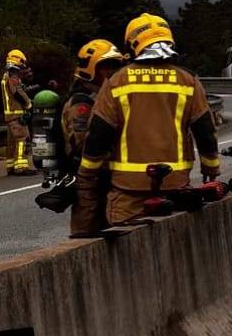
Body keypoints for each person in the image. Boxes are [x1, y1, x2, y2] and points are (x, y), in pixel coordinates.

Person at [76, 14, 219, 228]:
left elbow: (98, 135)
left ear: (133, 44)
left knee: (128, 255)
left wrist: (87, 175)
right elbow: (205, 131)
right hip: (176, 189)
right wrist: (211, 169)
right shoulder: (188, 80)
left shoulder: (117, 81)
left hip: (128, 193)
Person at [61, 40, 126, 235]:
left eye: (115, 66)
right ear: (91, 69)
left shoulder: (105, 97)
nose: (111, 72)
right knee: (86, 233)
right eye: (106, 67)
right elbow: (83, 144)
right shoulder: (81, 104)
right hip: (88, 181)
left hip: (107, 176)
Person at [0, 49, 36, 176]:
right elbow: (17, 92)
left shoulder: (6, 75)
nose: (22, 65)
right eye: (21, 62)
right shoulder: (12, 74)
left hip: (10, 115)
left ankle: (10, 166)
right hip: (17, 114)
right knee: (22, 139)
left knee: (11, 143)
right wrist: (28, 103)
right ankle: (21, 167)